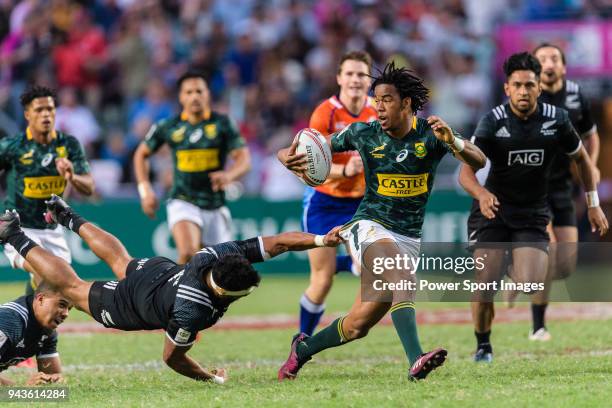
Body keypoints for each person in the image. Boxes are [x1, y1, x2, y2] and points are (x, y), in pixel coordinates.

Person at [277, 61, 486, 381]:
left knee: (358, 324)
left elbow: (479, 159)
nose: (378, 106)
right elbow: (314, 148)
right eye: (377, 100)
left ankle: (302, 350)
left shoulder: (432, 134)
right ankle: (416, 358)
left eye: (386, 99)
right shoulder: (364, 132)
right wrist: (285, 156)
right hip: (367, 225)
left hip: (409, 236)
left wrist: (454, 141)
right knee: (402, 278)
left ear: (406, 103)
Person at [0, 196, 342, 384]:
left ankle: (68, 215)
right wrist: (211, 379)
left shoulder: (216, 254)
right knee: (72, 287)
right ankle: (13, 235)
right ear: (224, 295)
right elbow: (171, 358)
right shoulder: (192, 312)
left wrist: (320, 239)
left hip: (160, 273)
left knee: (122, 260)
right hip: (135, 305)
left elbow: (280, 242)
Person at [459, 52, 608, 363]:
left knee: (532, 282)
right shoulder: (492, 121)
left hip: (533, 212)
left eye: (530, 85)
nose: (524, 91)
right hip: (493, 208)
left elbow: (581, 159)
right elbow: (465, 173)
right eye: (518, 85)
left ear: (539, 87)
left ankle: (514, 270)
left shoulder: (557, 120)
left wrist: (593, 204)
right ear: (507, 88)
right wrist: (481, 194)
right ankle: (483, 345)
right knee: (484, 282)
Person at [518, 43, 601, 341]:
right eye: (542, 59)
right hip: (531, 187)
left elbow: (591, 136)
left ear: (564, 66)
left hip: (562, 186)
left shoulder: (577, 95)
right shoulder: (526, 96)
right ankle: (538, 326)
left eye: (555, 58)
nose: (549, 63)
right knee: (547, 252)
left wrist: (590, 167)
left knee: (564, 265)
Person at [133, 71, 251, 264]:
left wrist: (230, 175)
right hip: (183, 199)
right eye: (189, 92)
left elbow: (244, 160)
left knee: (221, 266)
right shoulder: (168, 126)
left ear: (208, 94)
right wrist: (145, 191)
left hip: (215, 204)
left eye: (199, 91)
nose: (194, 96)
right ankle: (178, 294)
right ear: (181, 97)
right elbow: (141, 154)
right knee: (188, 253)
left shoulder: (223, 124)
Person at [299, 50, 377, 336]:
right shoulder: (325, 113)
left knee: (372, 271)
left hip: (361, 203)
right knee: (322, 281)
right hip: (324, 201)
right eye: (350, 73)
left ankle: (348, 265)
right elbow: (309, 166)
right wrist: (345, 171)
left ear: (369, 80)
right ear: (339, 78)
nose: (356, 79)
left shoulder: (378, 112)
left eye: (361, 74)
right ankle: (302, 340)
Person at [0, 85, 95, 295]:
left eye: (50, 109)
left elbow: (89, 187)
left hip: (52, 228)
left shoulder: (68, 144)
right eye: (39, 110)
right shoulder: (12, 146)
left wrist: (72, 176)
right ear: (27, 114)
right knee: (46, 274)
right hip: (18, 227)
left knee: (61, 289)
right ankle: (37, 327)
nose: (46, 114)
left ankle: (33, 322)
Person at [0, 281, 70, 386]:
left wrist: (51, 381)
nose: (66, 314)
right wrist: (24, 391)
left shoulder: (47, 330)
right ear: (41, 299)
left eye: (69, 308)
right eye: (62, 305)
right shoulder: (9, 322)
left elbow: (52, 375)